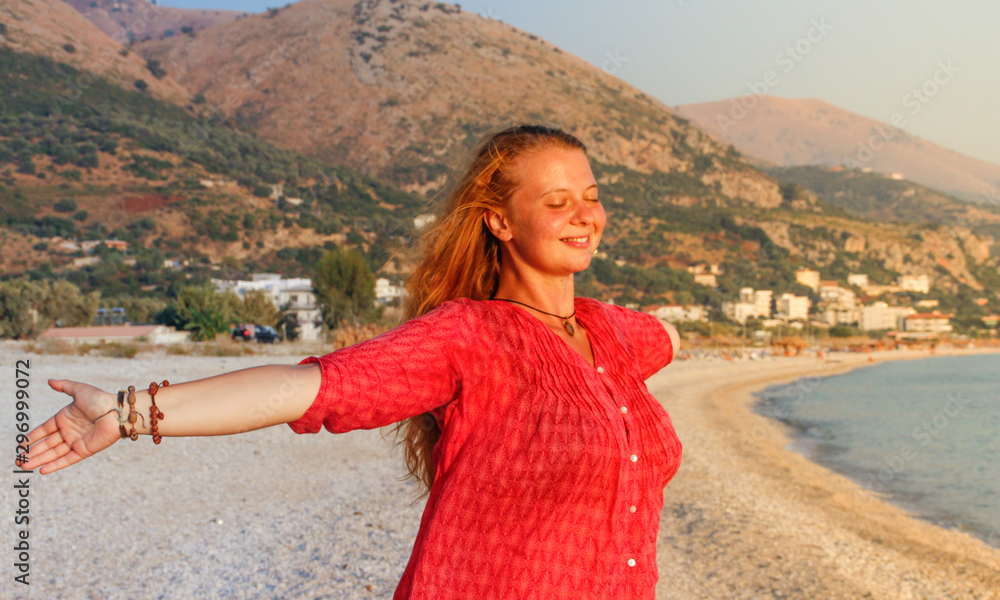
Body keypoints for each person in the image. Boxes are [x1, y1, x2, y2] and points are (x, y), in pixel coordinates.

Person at [19, 125, 682, 599]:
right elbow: (308, 388)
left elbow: (669, 337)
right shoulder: (468, 336)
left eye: (591, 195)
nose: (585, 215)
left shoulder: (613, 332)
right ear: (499, 221)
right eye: (557, 202)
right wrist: (129, 412)